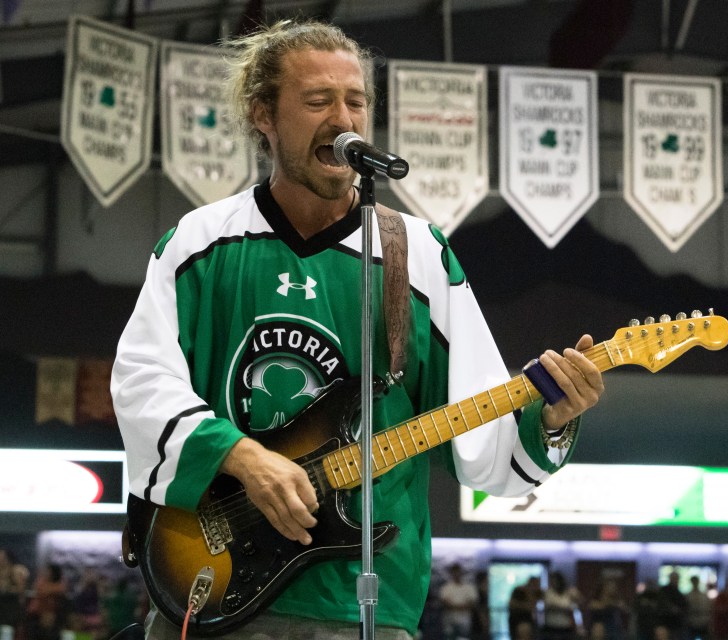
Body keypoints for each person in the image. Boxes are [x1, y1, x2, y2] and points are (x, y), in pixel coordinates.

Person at [110, 17, 605, 640]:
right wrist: (241, 458)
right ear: (263, 114)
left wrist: (552, 422)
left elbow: (481, 436)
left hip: (365, 605)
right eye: (318, 101)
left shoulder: (418, 255)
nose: (342, 118)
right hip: (215, 583)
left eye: (356, 101)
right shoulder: (200, 242)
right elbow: (140, 382)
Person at [438, 563, 480, 640]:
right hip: (449, 621)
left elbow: (473, 603)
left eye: (458, 572)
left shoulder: (469, 587)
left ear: (461, 572)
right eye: (454, 572)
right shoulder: (446, 588)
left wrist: (455, 606)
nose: (456, 574)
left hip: (465, 621)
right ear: (451, 573)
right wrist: (462, 606)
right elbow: (445, 603)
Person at [542, 571, 581, 640]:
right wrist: (565, 608)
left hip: (565, 627)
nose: (554, 583)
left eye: (556, 580)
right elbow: (548, 606)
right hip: (551, 626)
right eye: (552, 581)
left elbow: (577, 605)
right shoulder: (548, 592)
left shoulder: (569, 592)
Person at [686, 576, 712, 640]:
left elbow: (709, 608)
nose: (695, 583)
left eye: (696, 581)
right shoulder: (688, 596)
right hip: (692, 622)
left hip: (703, 622)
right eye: (694, 582)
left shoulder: (704, 595)